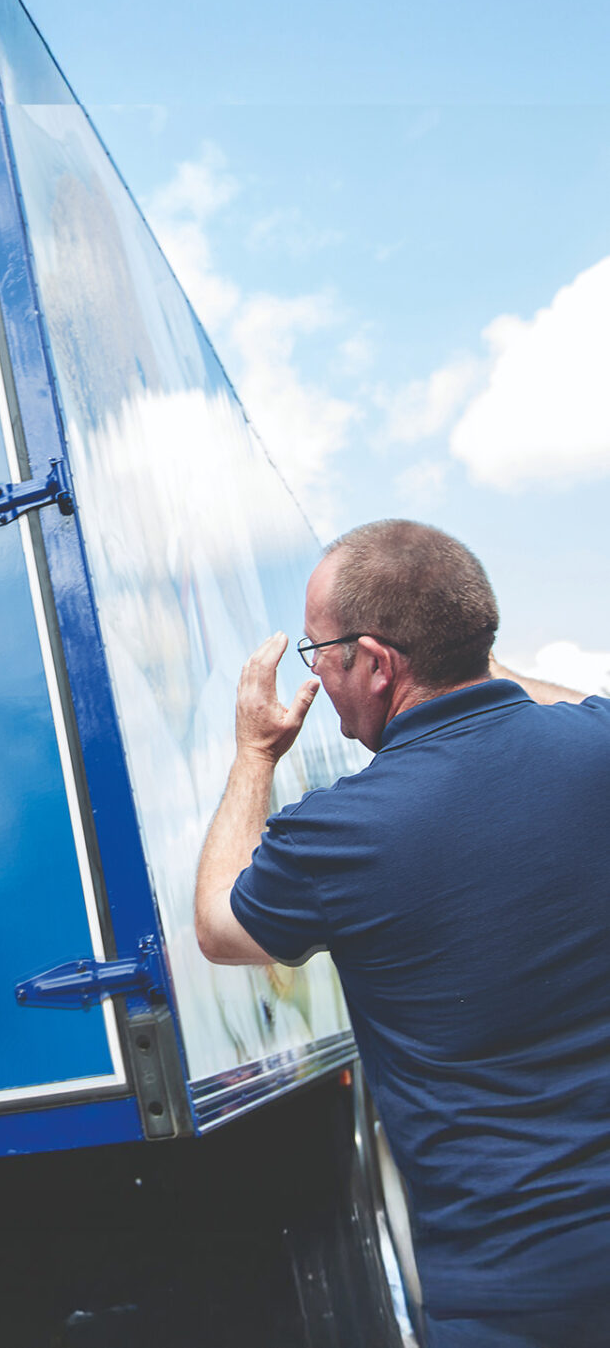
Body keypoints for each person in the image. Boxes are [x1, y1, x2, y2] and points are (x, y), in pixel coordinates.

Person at [194, 519, 610, 1347]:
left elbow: (216, 923)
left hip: (513, 1299)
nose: (316, 674)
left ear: (377, 663)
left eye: (320, 652)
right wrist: (470, 657)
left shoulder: (339, 835)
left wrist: (254, 753)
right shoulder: (596, 744)